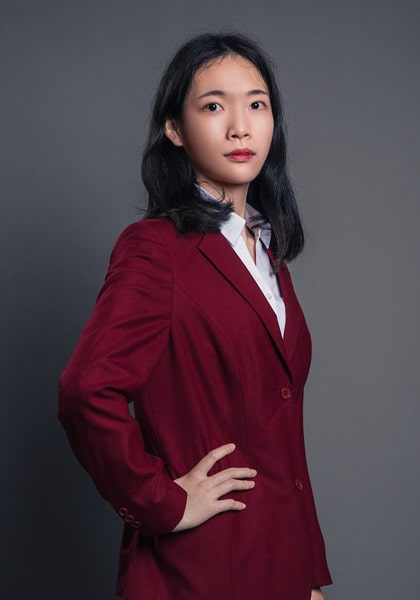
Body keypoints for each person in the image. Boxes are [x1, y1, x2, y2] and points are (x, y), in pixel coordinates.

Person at [59, 32, 332, 600]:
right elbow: (86, 391)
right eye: (213, 106)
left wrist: (307, 574)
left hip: (280, 566)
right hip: (198, 572)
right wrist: (163, 503)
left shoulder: (268, 253)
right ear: (175, 129)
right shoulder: (155, 248)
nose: (240, 127)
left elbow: (280, 437)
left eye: (257, 104)